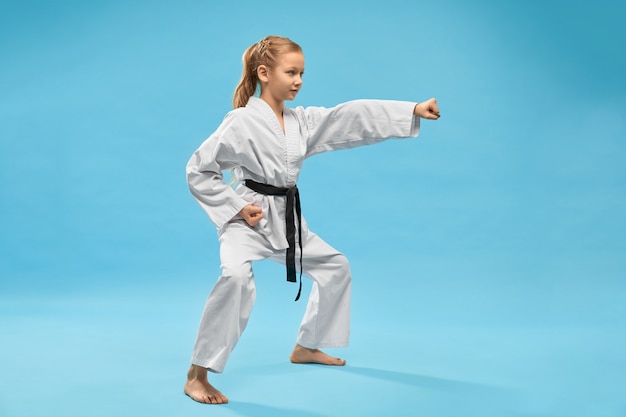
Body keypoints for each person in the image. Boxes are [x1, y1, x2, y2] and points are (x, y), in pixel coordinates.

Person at [183, 35, 440, 405]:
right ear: (264, 73)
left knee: (336, 267)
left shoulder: (300, 121)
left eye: (302, 72)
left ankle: (307, 345)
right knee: (236, 277)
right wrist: (236, 208)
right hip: (249, 217)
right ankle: (197, 374)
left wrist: (411, 110)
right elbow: (198, 170)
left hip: (286, 217)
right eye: (291, 72)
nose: (299, 80)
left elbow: (350, 116)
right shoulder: (240, 122)